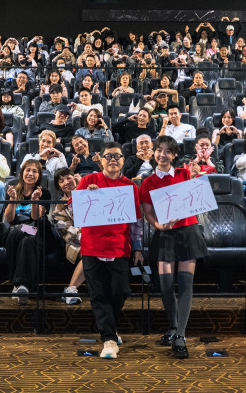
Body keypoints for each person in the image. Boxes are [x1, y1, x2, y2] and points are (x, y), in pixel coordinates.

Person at [139, 136, 206, 359]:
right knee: (166, 285)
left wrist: (195, 177)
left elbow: (197, 196)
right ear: (153, 153)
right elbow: (148, 211)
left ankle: (180, 335)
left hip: (188, 232)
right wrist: (158, 224)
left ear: (174, 155)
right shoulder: (148, 182)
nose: (162, 155)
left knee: (185, 284)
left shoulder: (184, 174)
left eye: (167, 151)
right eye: (159, 150)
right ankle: (174, 325)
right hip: (165, 233)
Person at [75, 141, 143, 359]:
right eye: (108, 156)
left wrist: (138, 247)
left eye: (117, 156)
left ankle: (110, 327)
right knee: (99, 294)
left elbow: (137, 222)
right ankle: (109, 340)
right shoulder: (88, 181)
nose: (113, 160)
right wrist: (88, 196)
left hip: (120, 248)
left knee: (120, 291)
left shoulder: (130, 186)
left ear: (123, 160)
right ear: (100, 159)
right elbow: (73, 209)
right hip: (92, 247)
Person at [3, 160, 55, 304]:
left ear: (39, 175)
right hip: (17, 232)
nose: (30, 174)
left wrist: (35, 200)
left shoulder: (43, 192)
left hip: (37, 232)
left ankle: (20, 285)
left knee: (26, 238)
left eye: (34, 171)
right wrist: (13, 199)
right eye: (28, 170)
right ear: (22, 172)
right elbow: (9, 219)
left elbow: (35, 217)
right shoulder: (13, 190)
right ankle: (20, 285)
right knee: (18, 235)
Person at [51, 169, 86, 305]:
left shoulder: (88, 195)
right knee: (89, 253)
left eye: (68, 178)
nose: (66, 182)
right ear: (59, 186)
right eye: (61, 180)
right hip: (74, 243)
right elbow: (65, 230)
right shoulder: (59, 206)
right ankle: (71, 290)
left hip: (96, 238)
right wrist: (85, 235)